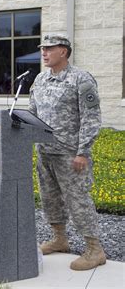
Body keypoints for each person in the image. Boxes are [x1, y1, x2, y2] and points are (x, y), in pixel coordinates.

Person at [29, 34, 106, 271]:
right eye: (43, 48)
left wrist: (83, 151)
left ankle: (95, 250)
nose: (44, 53)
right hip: (45, 152)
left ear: (63, 51)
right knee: (49, 197)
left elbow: (91, 118)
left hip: (70, 154)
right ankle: (60, 239)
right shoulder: (40, 79)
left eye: (49, 49)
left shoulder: (81, 80)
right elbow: (33, 112)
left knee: (78, 200)